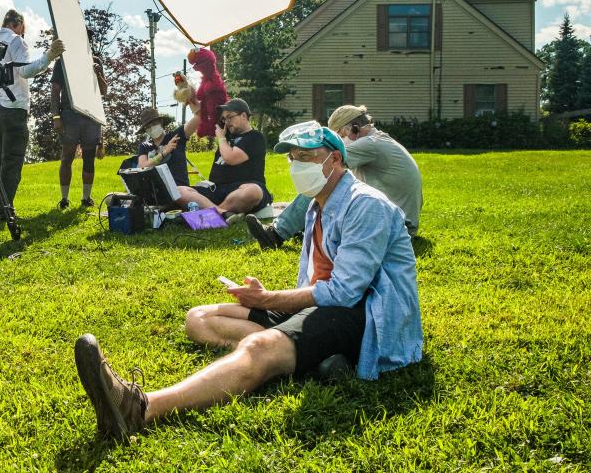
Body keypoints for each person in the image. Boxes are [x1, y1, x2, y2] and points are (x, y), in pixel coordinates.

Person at [74, 121, 423, 442]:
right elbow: (317, 278)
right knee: (199, 318)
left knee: (259, 348)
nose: (296, 164)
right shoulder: (319, 204)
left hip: (361, 312)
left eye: (306, 157)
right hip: (322, 305)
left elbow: (346, 292)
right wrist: (268, 302)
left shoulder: (365, 206)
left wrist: (269, 300)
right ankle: (307, 359)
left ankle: (140, 408)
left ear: (334, 159)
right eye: (293, 157)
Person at [246, 105, 423, 249]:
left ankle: (276, 234)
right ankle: (305, 225)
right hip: (398, 219)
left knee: (322, 182)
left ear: (352, 129)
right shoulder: (379, 140)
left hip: (397, 225)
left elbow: (329, 173)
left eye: (339, 136)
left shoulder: (368, 144)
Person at [0, 9, 65, 210]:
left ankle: (1, 205)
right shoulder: (16, 41)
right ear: (19, 24)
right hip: (13, 108)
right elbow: (26, 71)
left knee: (2, 161)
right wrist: (50, 55)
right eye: (24, 28)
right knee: (12, 162)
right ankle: (5, 208)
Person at [175, 98, 271, 219]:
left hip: (242, 187)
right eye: (224, 119)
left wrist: (221, 137)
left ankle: (208, 212)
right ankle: (222, 213)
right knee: (178, 190)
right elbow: (205, 115)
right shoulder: (227, 136)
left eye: (230, 117)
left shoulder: (255, 137)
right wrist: (191, 97)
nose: (226, 122)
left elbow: (231, 158)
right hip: (216, 189)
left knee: (253, 192)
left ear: (244, 115)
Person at [51, 36, 107, 208]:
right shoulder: (63, 61)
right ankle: (64, 199)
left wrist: (97, 73)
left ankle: (86, 198)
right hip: (69, 115)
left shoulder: (96, 61)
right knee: (66, 158)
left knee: (89, 159)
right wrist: (56, 116)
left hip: (91, 117)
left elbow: (104, 91)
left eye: (88, 40)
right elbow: (55, 90)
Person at [133, 103, 201, 188]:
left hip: (180, 191)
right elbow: (142, 167)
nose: (151, 128)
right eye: (148, 127)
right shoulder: (144, 146)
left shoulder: (176, 136)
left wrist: (191, 100)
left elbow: (199, 117)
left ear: (161, 122)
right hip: (156, 193)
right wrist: (163, 153)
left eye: (154, 124)